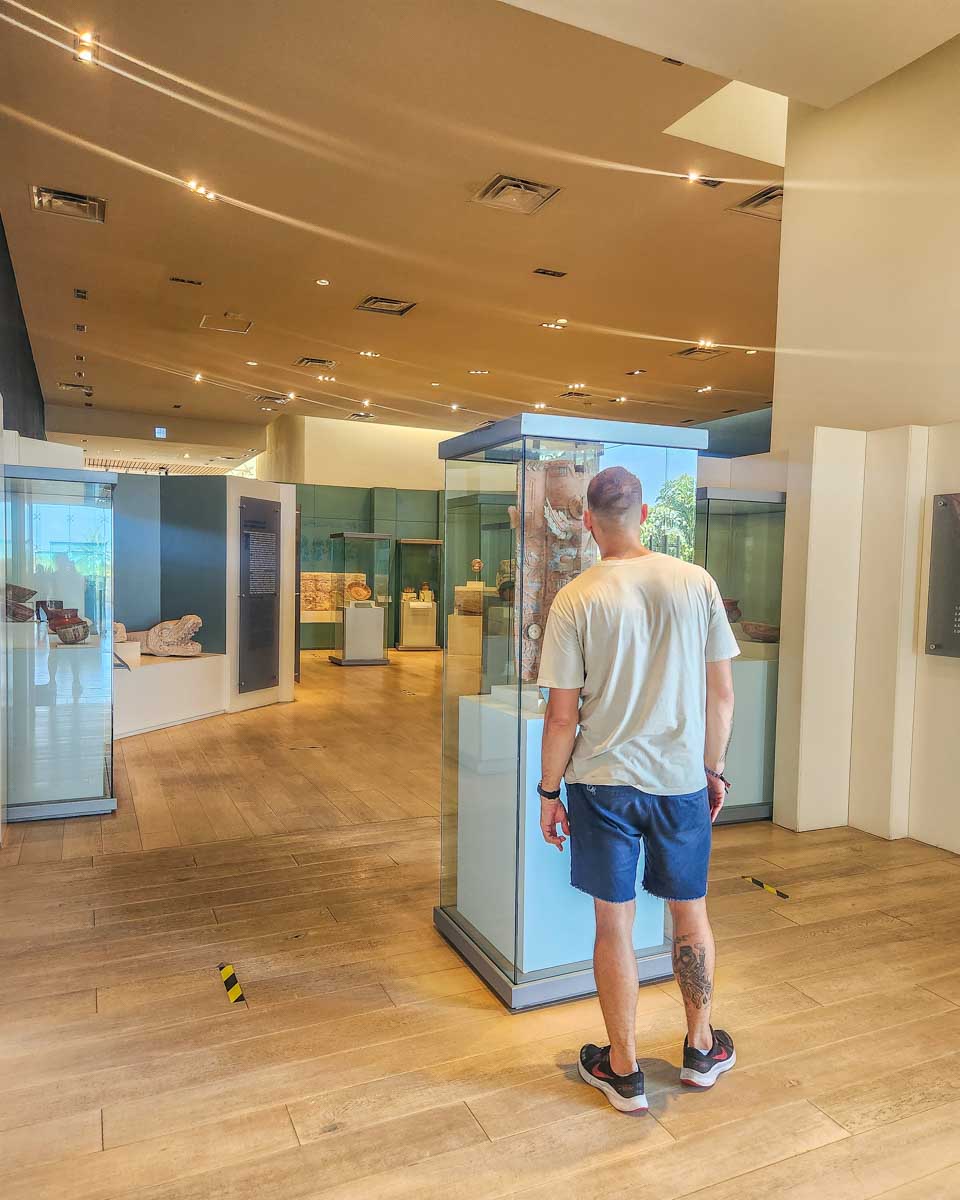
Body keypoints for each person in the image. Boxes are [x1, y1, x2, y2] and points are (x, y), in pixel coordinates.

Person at [536, 464, 738, 1113]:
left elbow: (562, 714)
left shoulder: (576, 597)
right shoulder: (695, 583)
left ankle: (623, 1068)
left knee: (613, 926)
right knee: (691, 915)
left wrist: (548, 792)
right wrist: (712, 769)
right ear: (644, 515)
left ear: (589, 523)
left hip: (602, 786)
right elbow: (721, 693)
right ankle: (701, 1048)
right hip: (679, 784)